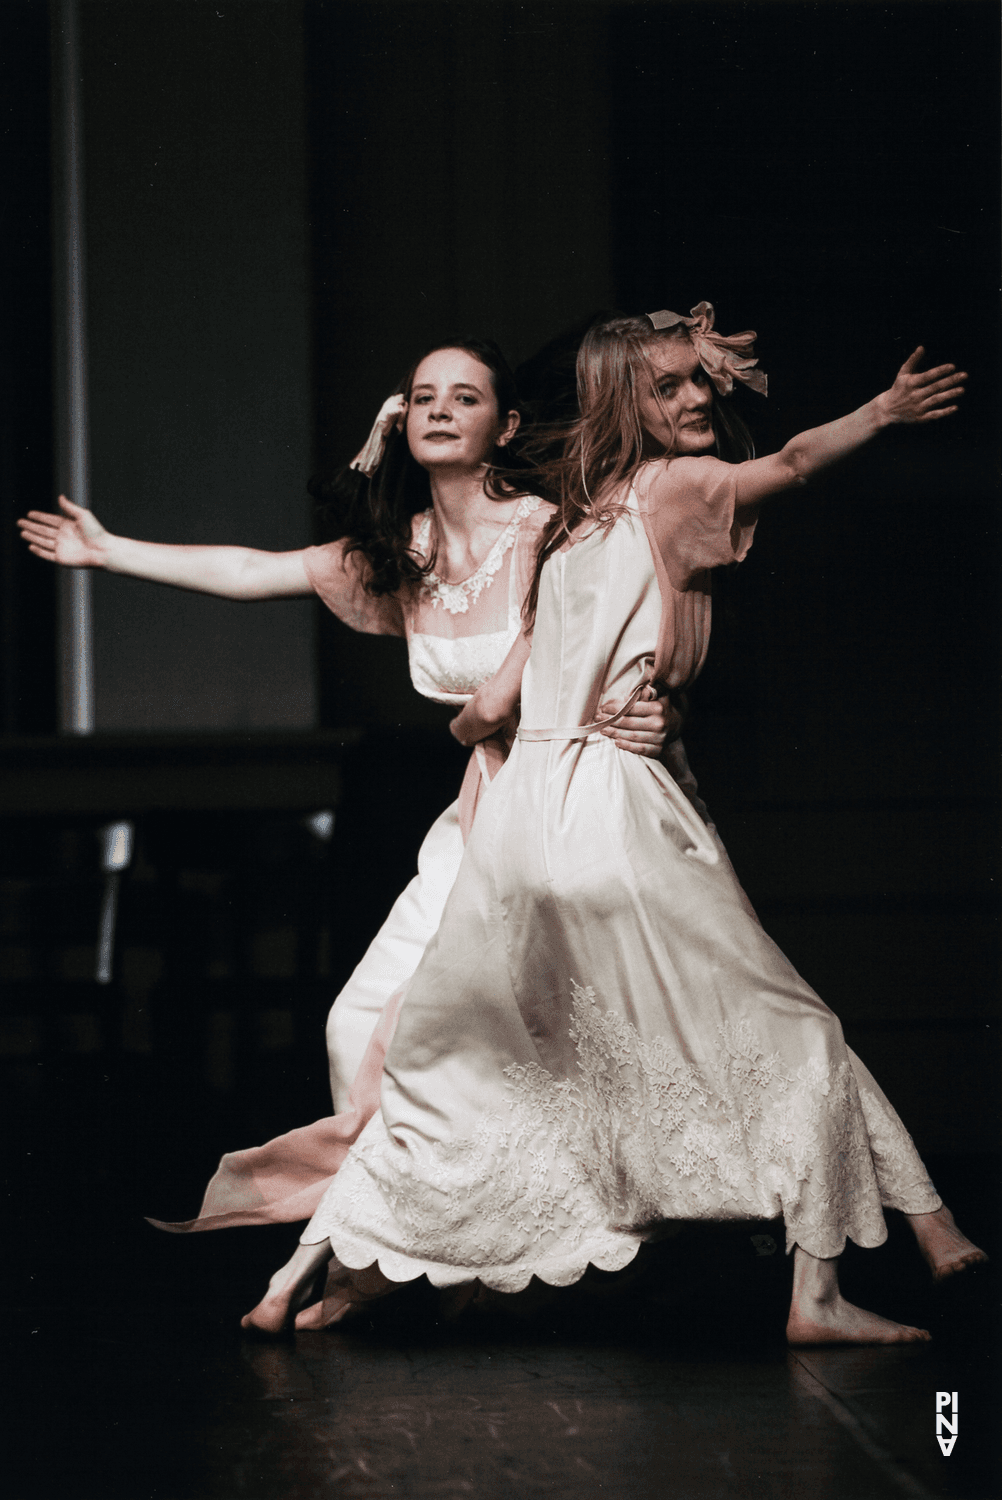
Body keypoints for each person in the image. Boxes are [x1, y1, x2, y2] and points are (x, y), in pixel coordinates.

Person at [237, 304, 986, 1343]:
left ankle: (301, 1272)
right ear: (628, 401)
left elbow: (487, 711)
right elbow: (799, 461)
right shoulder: (661, 492)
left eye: (699, 384)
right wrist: (883, 411)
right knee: (788, 1026)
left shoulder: (572, 521)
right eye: (674, 385)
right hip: (609, 815)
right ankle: (832, 1285)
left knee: (455, 1064)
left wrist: (549, 710)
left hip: (515, 827)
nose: (699, 401)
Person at [17, 336, 678, 1246]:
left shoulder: (548, 529)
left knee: (563, 1032)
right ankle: (397, 1235)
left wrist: (658, 708)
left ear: (506, 424)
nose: (440, 409)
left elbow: (639, 614)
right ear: (401, 420)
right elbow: (257, 570)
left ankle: (559, 1234)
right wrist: (109, 552)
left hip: (568, 809)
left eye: (465, 397)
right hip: (480, 815)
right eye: (423, 396)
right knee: (360, 1023)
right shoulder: (399, 552)